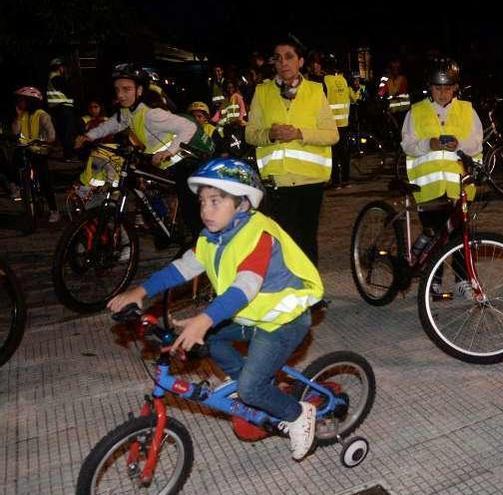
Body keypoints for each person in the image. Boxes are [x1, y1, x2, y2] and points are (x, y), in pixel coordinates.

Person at [106, 158, 322, 461]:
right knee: (215, 343)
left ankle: (297, 413)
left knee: (250, 388)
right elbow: (182, 268)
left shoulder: (258, 236)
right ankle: (254, 383)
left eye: (216, 201)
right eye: (203, 202)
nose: (206, 210)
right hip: (253, 316)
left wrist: (204, 319)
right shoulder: (213, 237)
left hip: (283, 322)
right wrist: (140, 291)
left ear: (243, 204)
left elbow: (245, 287)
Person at [74, 63, 200, 238]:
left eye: (126, 89)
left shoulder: (152, 114)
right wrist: (89, 136)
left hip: (179, 161)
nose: (120, 94)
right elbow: (111, 124)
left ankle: (198, 242)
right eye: (117, 89)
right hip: (157, 163)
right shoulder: (128, 111)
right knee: (143, 190)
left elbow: (189, 126)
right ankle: (164, 226)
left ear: (139, 90)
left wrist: (168, 152)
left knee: (190, 212)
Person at [245, 36, 339, 266]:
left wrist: (300, 134)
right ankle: (292, 294)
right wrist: (270, 134)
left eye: (289, 57)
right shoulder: (262, 92)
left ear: (300, 61)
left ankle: (311, 295)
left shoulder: (316, 91)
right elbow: (250, 134)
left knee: (307, 238)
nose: (283, 63)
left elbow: (332, 134)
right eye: (278, 58)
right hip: (279, 180)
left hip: (310, 179)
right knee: (286, 240)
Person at [401, 57, 483, 286]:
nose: (443, 93)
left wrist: (460, 143)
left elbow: (477, 142)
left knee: (459, 236)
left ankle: (463, 281)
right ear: (430, 87)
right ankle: (433, 281)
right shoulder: (416, 112)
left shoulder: (467, 110)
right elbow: (407, 144)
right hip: (429, 189)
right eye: (438, 88)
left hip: (459, 186)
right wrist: (429, 144)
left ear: (455, 88)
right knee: (434, 236)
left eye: (448, 88)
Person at [308, 51, 361, 189]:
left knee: (333, 154)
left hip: (330, 125)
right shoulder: (343, 80)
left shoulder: (324, 81)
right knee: (344, 153)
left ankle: (336, 181)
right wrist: (358, 88)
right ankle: (346, 180)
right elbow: (354, 98)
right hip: (344, 123)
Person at [11, 86, 60, 222]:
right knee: (14, 158)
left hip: (40, 151)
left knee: (44, 180)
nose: (19, 103)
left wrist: (46, 142)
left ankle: (54, 210)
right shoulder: (22, 115)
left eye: (22, 100)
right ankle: (16, 185)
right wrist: (17, 117)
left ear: (31, 101)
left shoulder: (42, 115)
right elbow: (16, 133)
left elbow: (51, 135)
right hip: (26, 149)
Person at [46, 58, 78, 161]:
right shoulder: (57, 78)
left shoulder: (50, 78)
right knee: (68, 132)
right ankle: (69, 155)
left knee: (63, 132)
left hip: (57, 109)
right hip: (64, 108)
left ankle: (66, 154)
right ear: (60, 68)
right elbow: (69, 90)